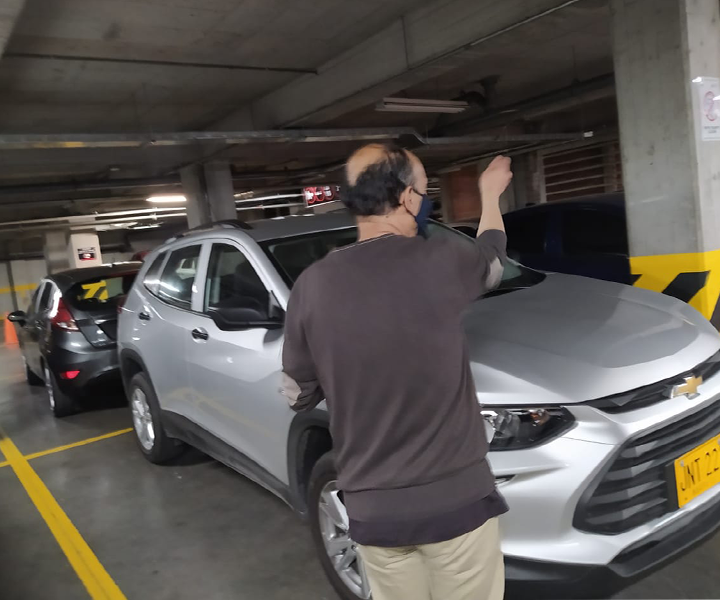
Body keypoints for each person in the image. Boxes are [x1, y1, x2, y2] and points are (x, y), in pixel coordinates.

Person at [282, 143, 512, 600]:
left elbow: (298, 394)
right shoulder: (441, 261)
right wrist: (489, 197)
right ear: (408, 199)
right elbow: (494, 263)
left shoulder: (311, 286)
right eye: (425, 190)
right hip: (455, 505)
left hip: (374, 513)